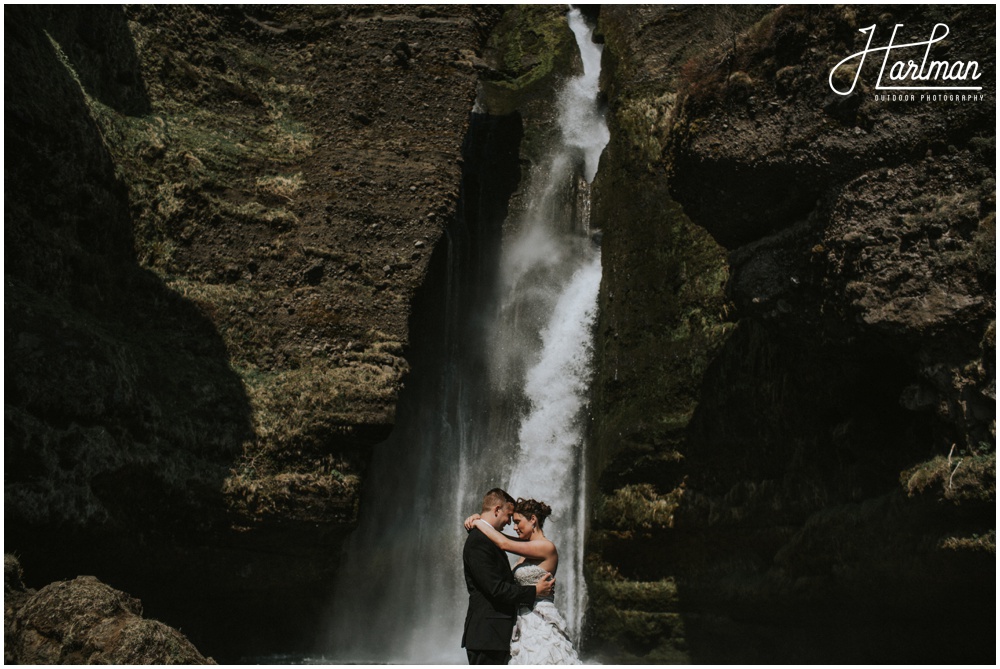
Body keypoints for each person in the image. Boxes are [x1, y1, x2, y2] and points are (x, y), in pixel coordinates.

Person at [464, 498, 581, 665]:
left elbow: (503, 542)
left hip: (540, 619)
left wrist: (479, 522)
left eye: (518, 522)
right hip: (521, 621)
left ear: (533, 519)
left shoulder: (546, 547)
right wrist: (480, 520)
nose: (514, 526)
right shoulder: (526, 551)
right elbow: (498, 536)